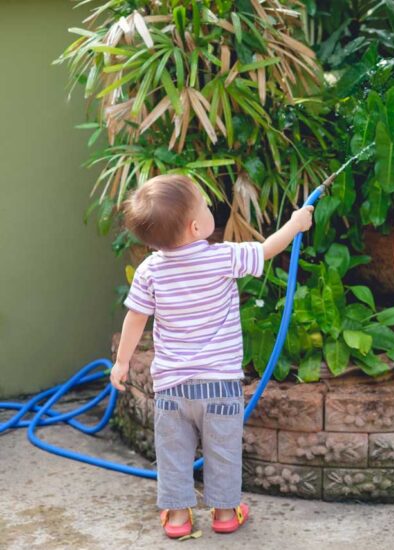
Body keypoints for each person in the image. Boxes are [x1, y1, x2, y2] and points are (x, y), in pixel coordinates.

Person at [110, 174, 314, 538]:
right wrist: (296, 224)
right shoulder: (222, 257)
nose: (210, 211)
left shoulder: (149, 271)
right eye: (205, 207)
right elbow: (268, 248)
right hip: (220, 385)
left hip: (172, 387)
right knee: (222, 450)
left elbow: (135, 318)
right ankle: (224, 513)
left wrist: (123, 362)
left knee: (173, 452)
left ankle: (177, 517)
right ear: (194, 226)